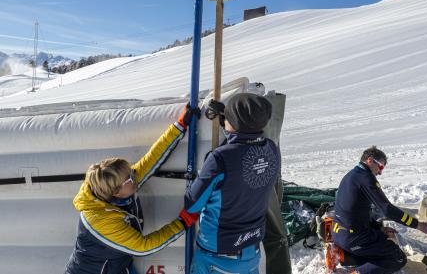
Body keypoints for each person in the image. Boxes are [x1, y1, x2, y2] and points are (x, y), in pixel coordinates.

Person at [65, 104, 200, 274]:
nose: (134, 176)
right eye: (129, 177)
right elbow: (144, 247)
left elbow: (150, 161)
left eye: (130, 171)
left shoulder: (120, 185)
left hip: (118, 266)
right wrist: (182, 222)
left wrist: (179, 126)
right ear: (116, 192)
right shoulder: (101, 220)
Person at [185, 93, 280, 274]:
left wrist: (202, 173)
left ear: (235, 122)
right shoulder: (271, 149)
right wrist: (228, 120)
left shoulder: (219, 159)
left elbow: (192, 204)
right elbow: (244, 153)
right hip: (251, 251)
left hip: (217, 256)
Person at [332, 146, 427, 274]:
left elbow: (355, 210)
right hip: (353, 237)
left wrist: (378, 228)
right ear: (370, 160)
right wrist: (419, 225)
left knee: (381, 240)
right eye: (380, 166)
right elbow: (387, 209)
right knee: (397, 258)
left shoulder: (351, 175)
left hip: (339, 233)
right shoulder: (366, 178)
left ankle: (345, 256)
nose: (380, 172)